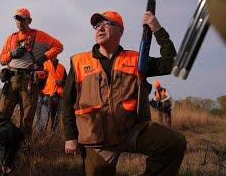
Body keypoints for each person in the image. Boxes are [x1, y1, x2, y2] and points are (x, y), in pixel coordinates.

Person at [63, 10, 187, 175]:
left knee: (175, 143)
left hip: (131, 130)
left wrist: (157, 29)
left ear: (120, 30)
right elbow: (67, 102)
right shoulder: (79, 62)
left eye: (105, 24)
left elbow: (170, 63)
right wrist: (70, 137)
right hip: (97, 140)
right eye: (97, 25)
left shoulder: (136, 60)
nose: (99, 28)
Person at [0, 7, 63, 139]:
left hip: (29, 81)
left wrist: (43, 58)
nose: (19, 22)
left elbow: (59, 46)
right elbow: (1, 59)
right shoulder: (11, 38)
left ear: (29, 20)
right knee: (1, 116)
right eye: (17, 19)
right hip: (11, 80)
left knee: (26, 119)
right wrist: (12, 54)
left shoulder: (39, 35)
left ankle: (24, 151)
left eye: (22, 19)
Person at [34, 58, 67, 133]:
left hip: (58, 96)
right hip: (46, 95)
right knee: (44, 119)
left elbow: (67, 81)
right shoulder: (43, 65)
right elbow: (37, 81)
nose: (54, 54)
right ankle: (40, 138)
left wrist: (61, 82)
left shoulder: (62, 67)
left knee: (56, 119)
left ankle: (54, 137)